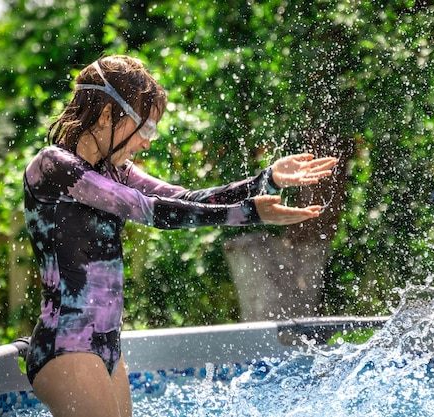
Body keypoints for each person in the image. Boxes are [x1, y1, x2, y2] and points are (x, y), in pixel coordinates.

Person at [23, 55, 338, 417]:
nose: (146, 142)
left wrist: (265, 181)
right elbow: (149, 209)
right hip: (66, 344)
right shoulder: (53, 166)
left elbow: (182, 198)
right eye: (145, 128)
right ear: (109, 114)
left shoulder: (116, 171)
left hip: (107, 348)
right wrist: (250, 212)